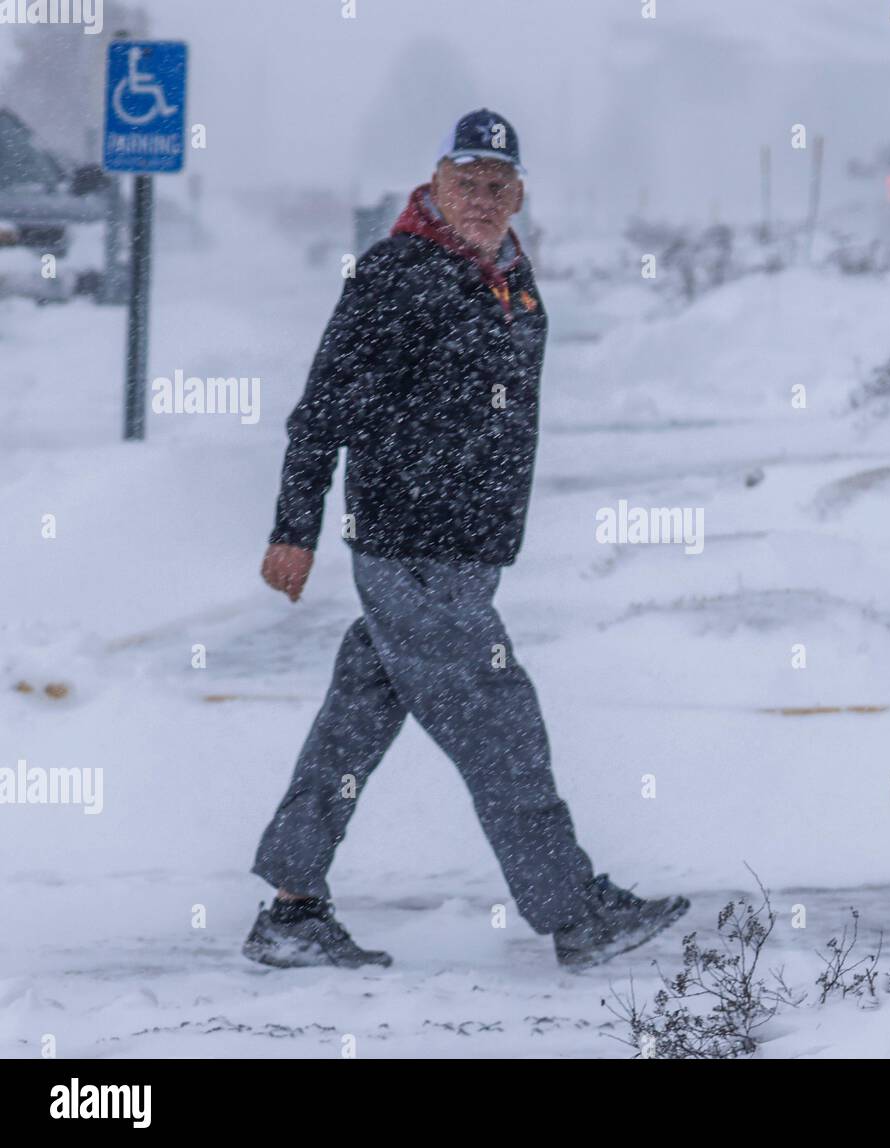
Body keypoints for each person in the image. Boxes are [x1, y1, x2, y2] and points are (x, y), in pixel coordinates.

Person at [243, 109, 688, 972]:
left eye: (499, 186)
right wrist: (293, 529)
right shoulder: (395, 274)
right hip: (407, 544)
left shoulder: (509, 279)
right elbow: (321, 408)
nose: (482, 199)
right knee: (501, 724)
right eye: (467, 182)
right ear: (435, 185)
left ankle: (292, 910)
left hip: (464, 554)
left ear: (518, 195)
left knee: (356, 722)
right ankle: (573, 909)